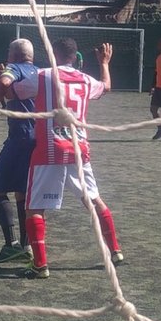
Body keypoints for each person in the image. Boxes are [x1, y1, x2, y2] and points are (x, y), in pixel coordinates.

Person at [17, 38, 123, 279]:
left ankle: (40, 265)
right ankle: (115, 250)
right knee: (94, 200)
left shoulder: (44, 75)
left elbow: (18, 90)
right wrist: (104, 63)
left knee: (33, 207)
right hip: (78, 149)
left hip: (50, 149)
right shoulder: (85, 80)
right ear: (74, 57)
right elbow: (106, 86)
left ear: (53, 53)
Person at [0, 39, 39, 263]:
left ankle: (11, 244)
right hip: (36, 138)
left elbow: (4, 83)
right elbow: (17, 97)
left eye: (8, 51)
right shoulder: (38, 72)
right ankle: (26, 246)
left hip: (19, 138)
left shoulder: (13, 69)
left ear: (14, 54)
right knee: (22, 194)